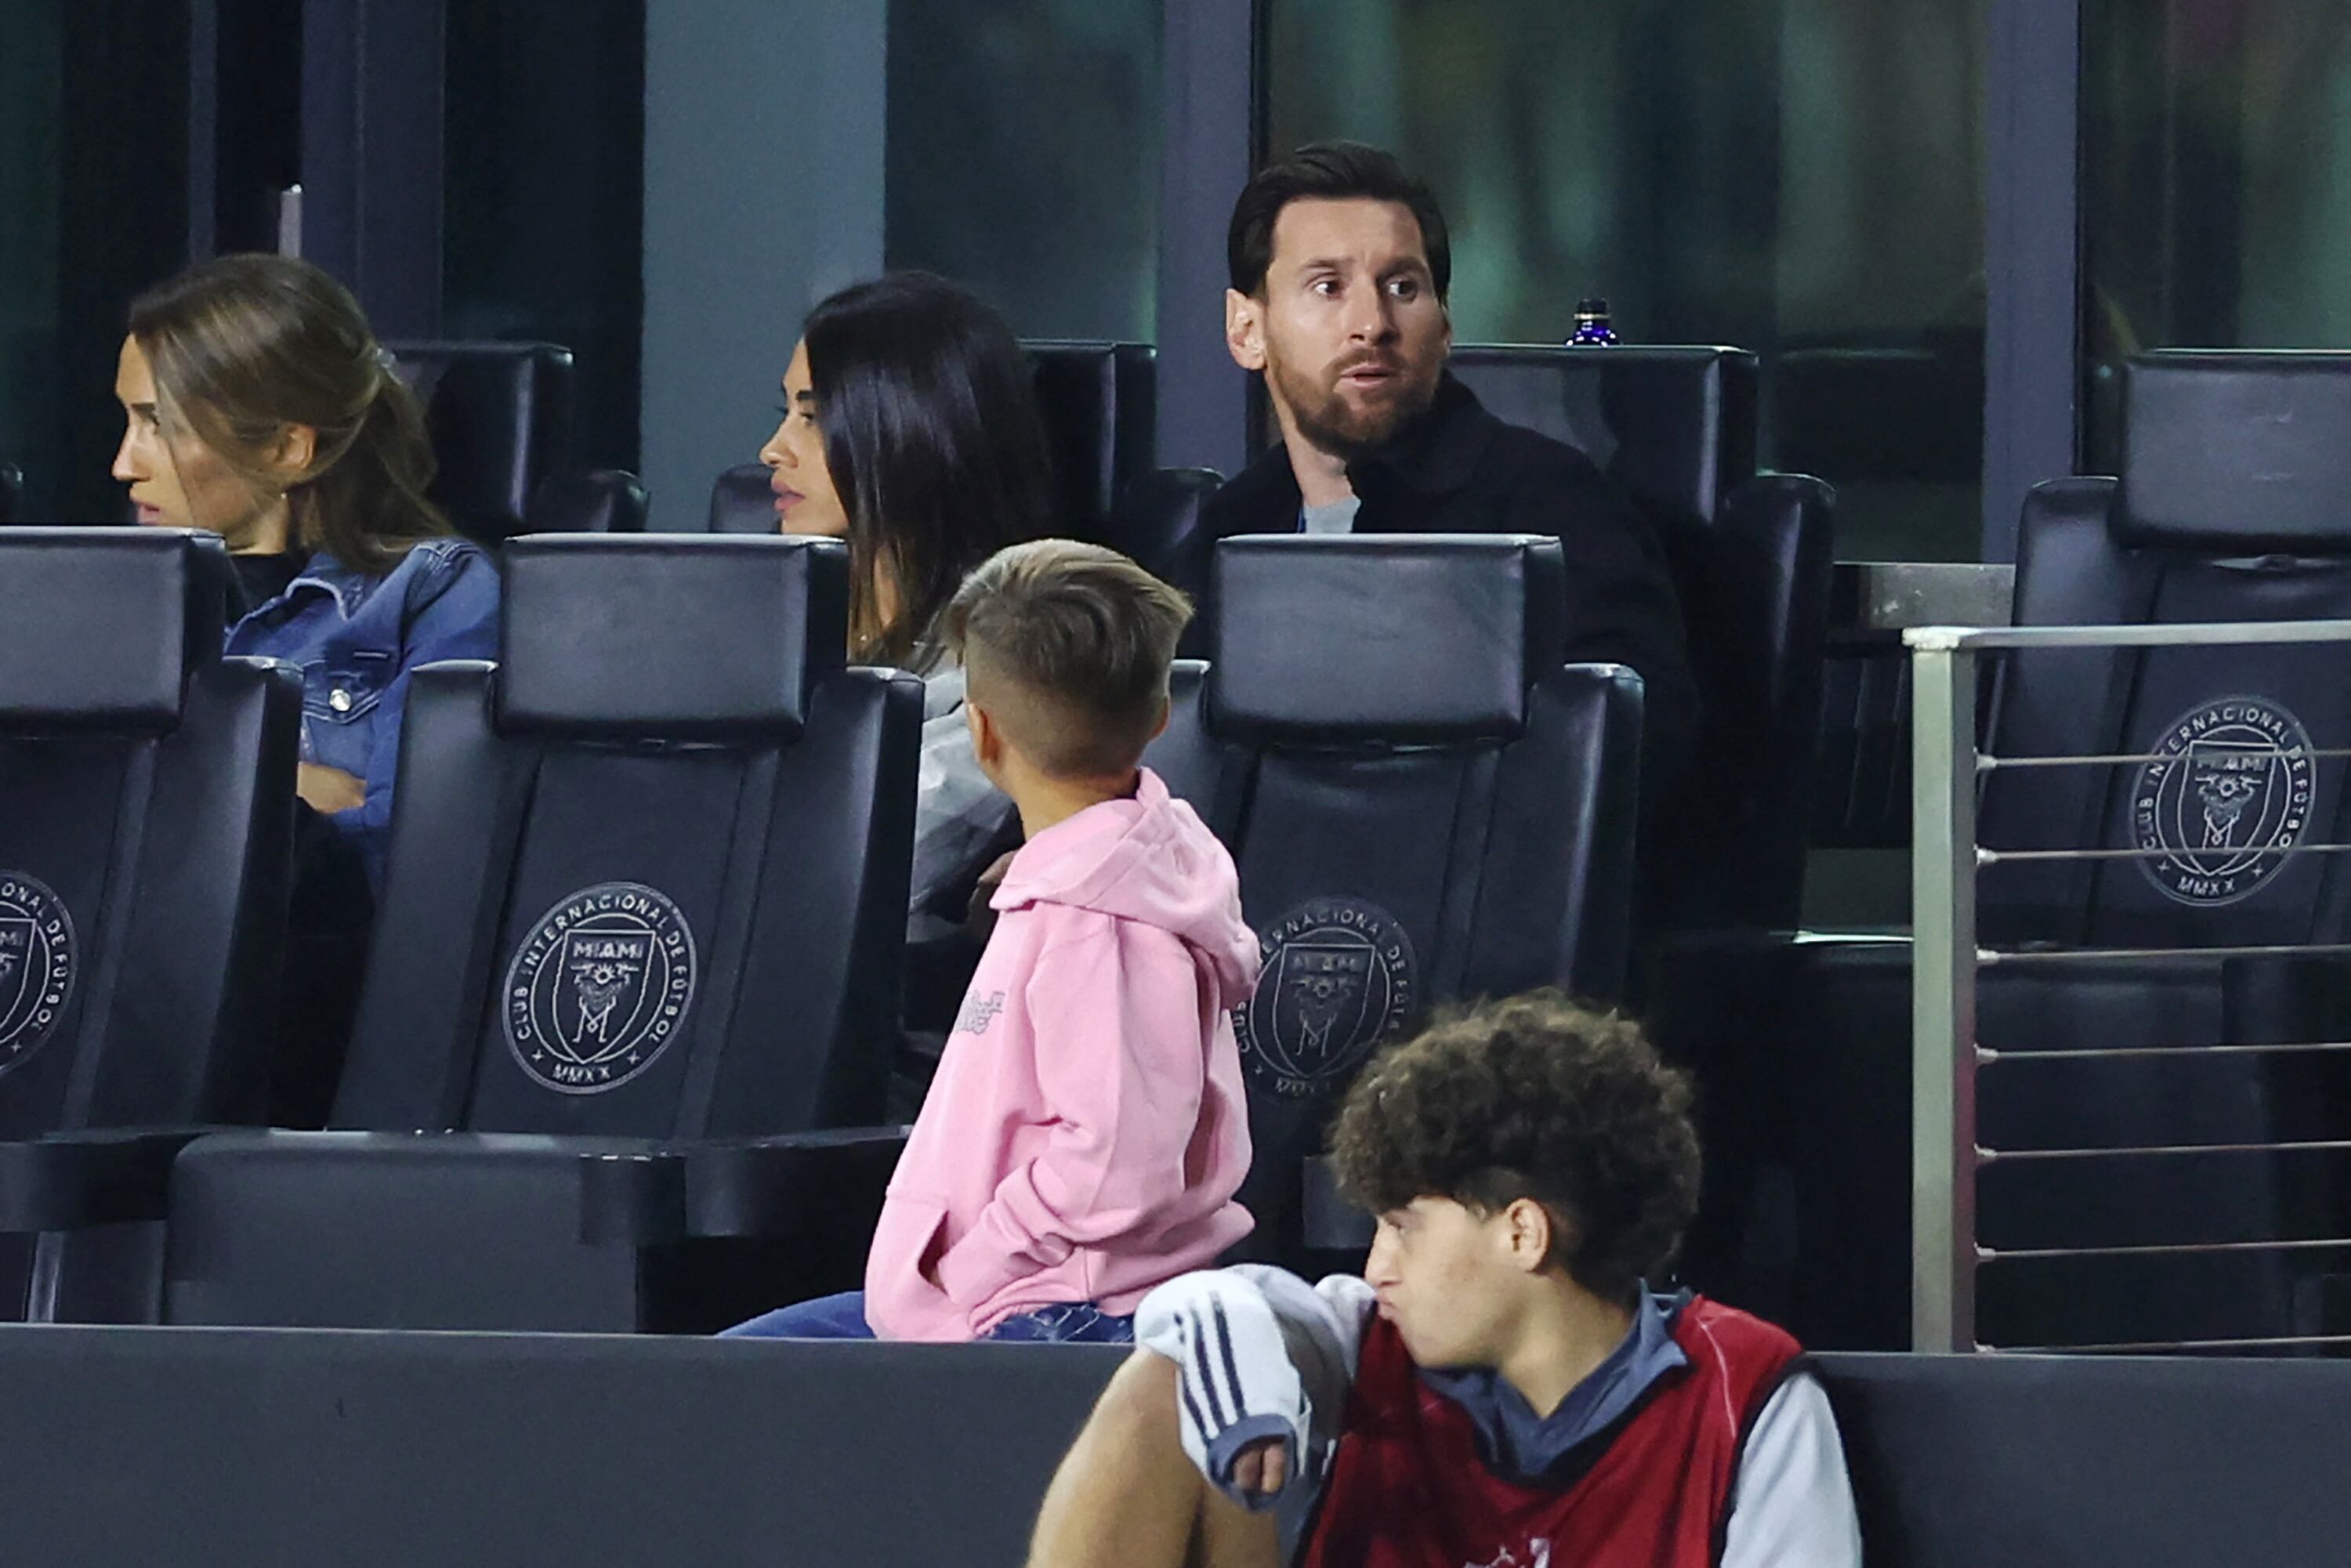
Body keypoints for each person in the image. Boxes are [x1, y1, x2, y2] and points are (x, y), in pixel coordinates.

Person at [1026, 990, 1861, 1568]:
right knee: (1166, 1382)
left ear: (1523, 1232)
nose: (1376, 1267)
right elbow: (1212, 1308)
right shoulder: (1361, 1345)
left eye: (1402, 1228)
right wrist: (1232, 1366)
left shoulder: (1747, 1396)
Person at [723, 540, 1259, 1343]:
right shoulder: (1090, 884)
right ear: (1157, 716)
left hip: (1055, 1311)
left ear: (980, 731)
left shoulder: (1104, 920)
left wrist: (970, 1268)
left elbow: (1118, 1168)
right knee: (728, 1381)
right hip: (989, 1300)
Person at [1198, 141, 1699, 791]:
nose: (1372, 324)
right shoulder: (1229, 526)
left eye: (1402, 287)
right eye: (1328, 287)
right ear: (1246, 330)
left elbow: (1633, 752)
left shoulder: (1550, 509)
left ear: (1444, 325)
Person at [113, 253, 500, 882]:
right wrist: (287, 783)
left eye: (158, 426)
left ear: (286, 448)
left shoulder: (431, 594)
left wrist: (182, 771)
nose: (125, 465)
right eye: (129, 422)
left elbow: (408, 865)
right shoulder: (108, 598)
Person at [755, 271, 1057, 946]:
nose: (773, 450)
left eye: (812, 416)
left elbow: (862, 857)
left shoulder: (1015, 654)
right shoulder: (767, 630)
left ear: (905, 427)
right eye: (785, 413)